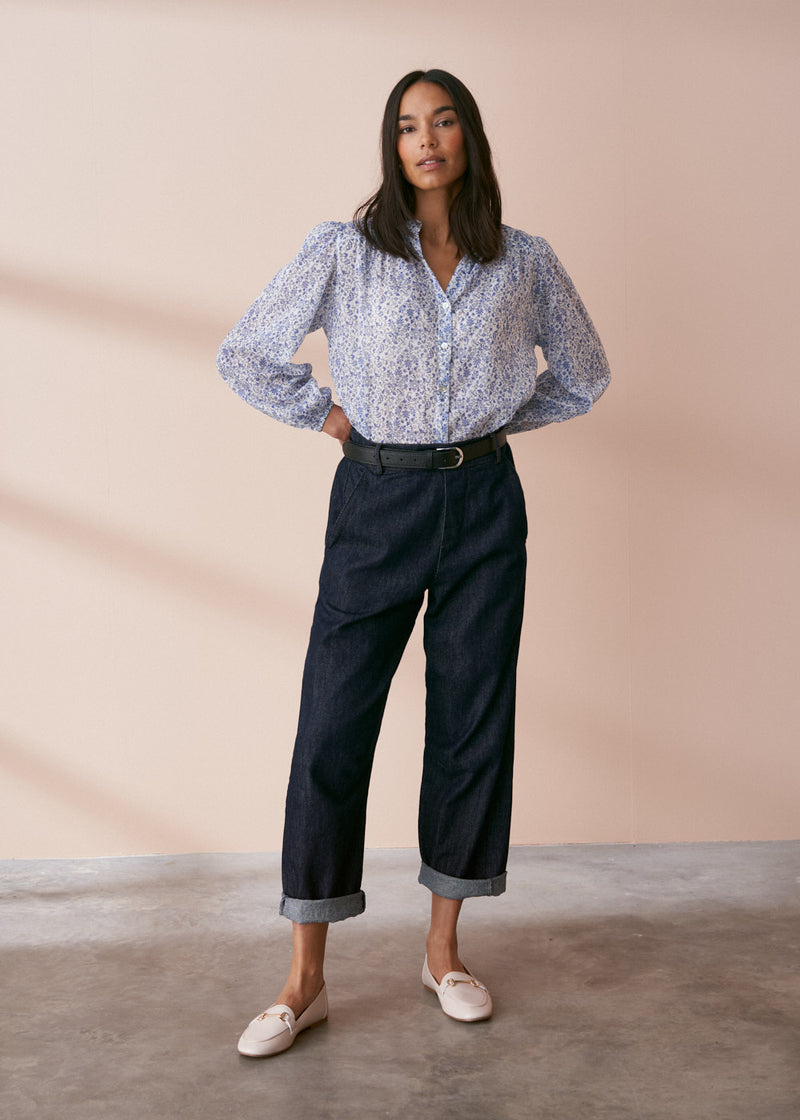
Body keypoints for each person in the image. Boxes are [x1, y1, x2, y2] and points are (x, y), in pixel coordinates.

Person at [217, 68, 610, 1057]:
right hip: (376, 500)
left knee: (469, 725)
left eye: (441, 122)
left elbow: (584, 372)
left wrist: (490, 418)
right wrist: (325, 412)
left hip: (482, 504)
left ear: (467, 138)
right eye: (405, 126)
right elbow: (247, 352)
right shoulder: (343, 253)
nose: (424, 139)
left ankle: (442, 952)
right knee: (331, 726)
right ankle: (303, 976)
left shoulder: (522, 262)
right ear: (390, 147)